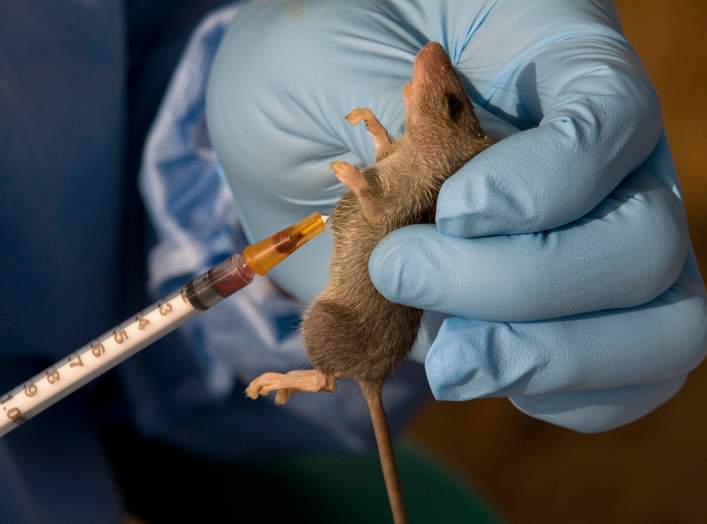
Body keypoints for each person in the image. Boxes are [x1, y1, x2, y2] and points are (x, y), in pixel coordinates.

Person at [0, 1, 704, 523]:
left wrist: (231, 167)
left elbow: (92, 243)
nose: (428, 71)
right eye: (451, 102)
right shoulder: (425, 157)